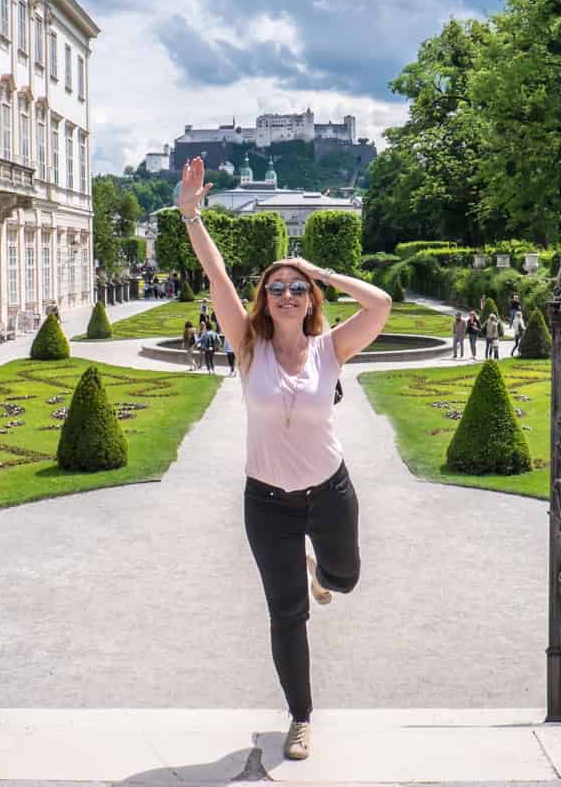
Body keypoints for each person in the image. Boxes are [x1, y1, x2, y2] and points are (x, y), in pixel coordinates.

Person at [176, 155, 391, 761]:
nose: (289, 294)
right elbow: (217, 277)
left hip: (330, 491)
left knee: (343, 580)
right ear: (264, 299)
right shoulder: (248, 346)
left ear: (310, 298)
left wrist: (319, 268)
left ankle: (321, 569)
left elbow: (380, 304)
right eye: (278, 288)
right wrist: (190, 213)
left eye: (298, 289)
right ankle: (301, 717)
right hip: (266, 503)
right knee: (286, 613)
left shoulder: (331, 348)